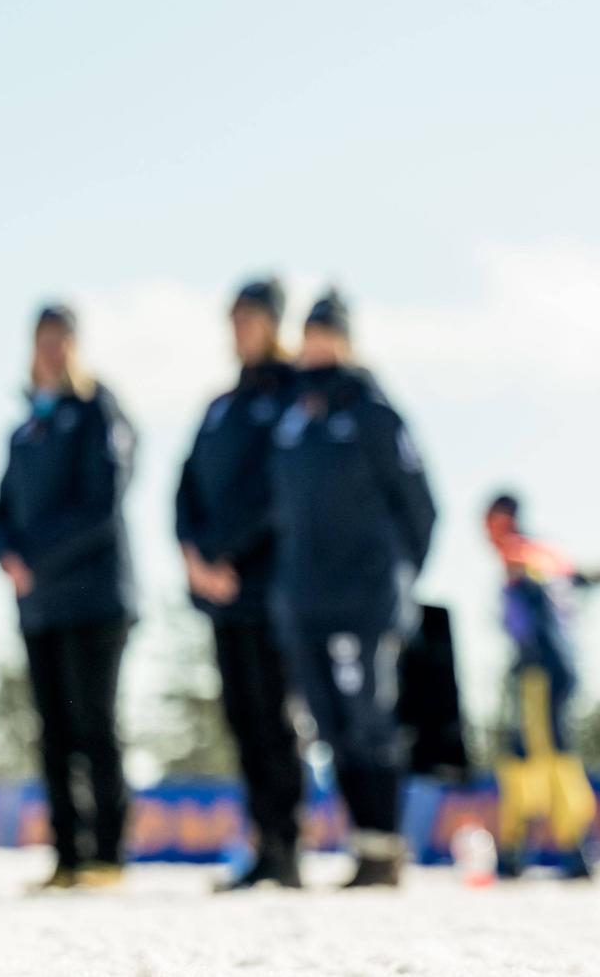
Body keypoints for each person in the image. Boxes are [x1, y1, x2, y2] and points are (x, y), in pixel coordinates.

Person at [270, 290, 436, 887]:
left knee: (371, 722)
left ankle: (385, 847)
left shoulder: (373, 413)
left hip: (364, 601)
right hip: (305, 600)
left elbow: (420, 508)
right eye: (309, 335)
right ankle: (362, 844)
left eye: (327, 335)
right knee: (329, 727)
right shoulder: (293, 416)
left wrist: (393, 577)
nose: (317, 347)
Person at [0, 303, 138, 890]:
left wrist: (38, 556)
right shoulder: (28, 424)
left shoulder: (98, 410)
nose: (50, 350)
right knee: (52, 729)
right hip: (40, 605)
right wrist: (7, 552)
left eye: (61, 340)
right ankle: (67, 853)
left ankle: (105, 852)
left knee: (94, 724)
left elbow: (101, 502)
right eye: (41, 340)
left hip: (95, 598)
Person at [175, 276, 308, 890]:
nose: (239, 330)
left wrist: (226, 552)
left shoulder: (291, 396)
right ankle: (259, 843)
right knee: (241, 718)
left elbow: (281, 491)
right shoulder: (220, 406)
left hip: (269, 586)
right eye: (234, 319)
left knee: (276, 717)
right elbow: (185, 487)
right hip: (219, 593)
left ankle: (287, 846)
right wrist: (194, 555)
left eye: (250, 319)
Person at [483, 492, 600, 880]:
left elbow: (537, 599)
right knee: (527, 753)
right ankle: (516, 849)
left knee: (546, 754)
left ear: (503, 519)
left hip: (541, 668)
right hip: (552, 666)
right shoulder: (548, 552)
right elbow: (576, 579)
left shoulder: (520, 553)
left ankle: (576, 848)